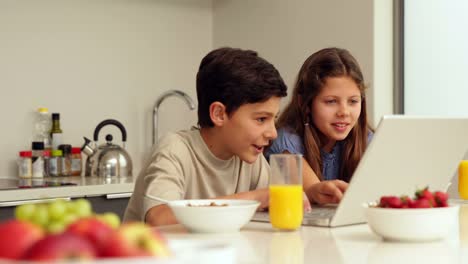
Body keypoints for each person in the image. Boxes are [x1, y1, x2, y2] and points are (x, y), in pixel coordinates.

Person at [124, 47, 289, 226]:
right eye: (261, 119)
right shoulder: (175, 150)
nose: (272, 133)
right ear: (219, 114)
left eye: (274, 119)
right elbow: (159, 218)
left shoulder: (249, 157)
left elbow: (273, 201)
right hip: (153, 253)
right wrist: (254, 198)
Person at [265, 47, 373, 205]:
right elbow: (318, 193)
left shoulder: (367, 139)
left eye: (353, 101)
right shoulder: (286, 141)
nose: (344, 112)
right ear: (306, 103)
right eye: (331, 101)